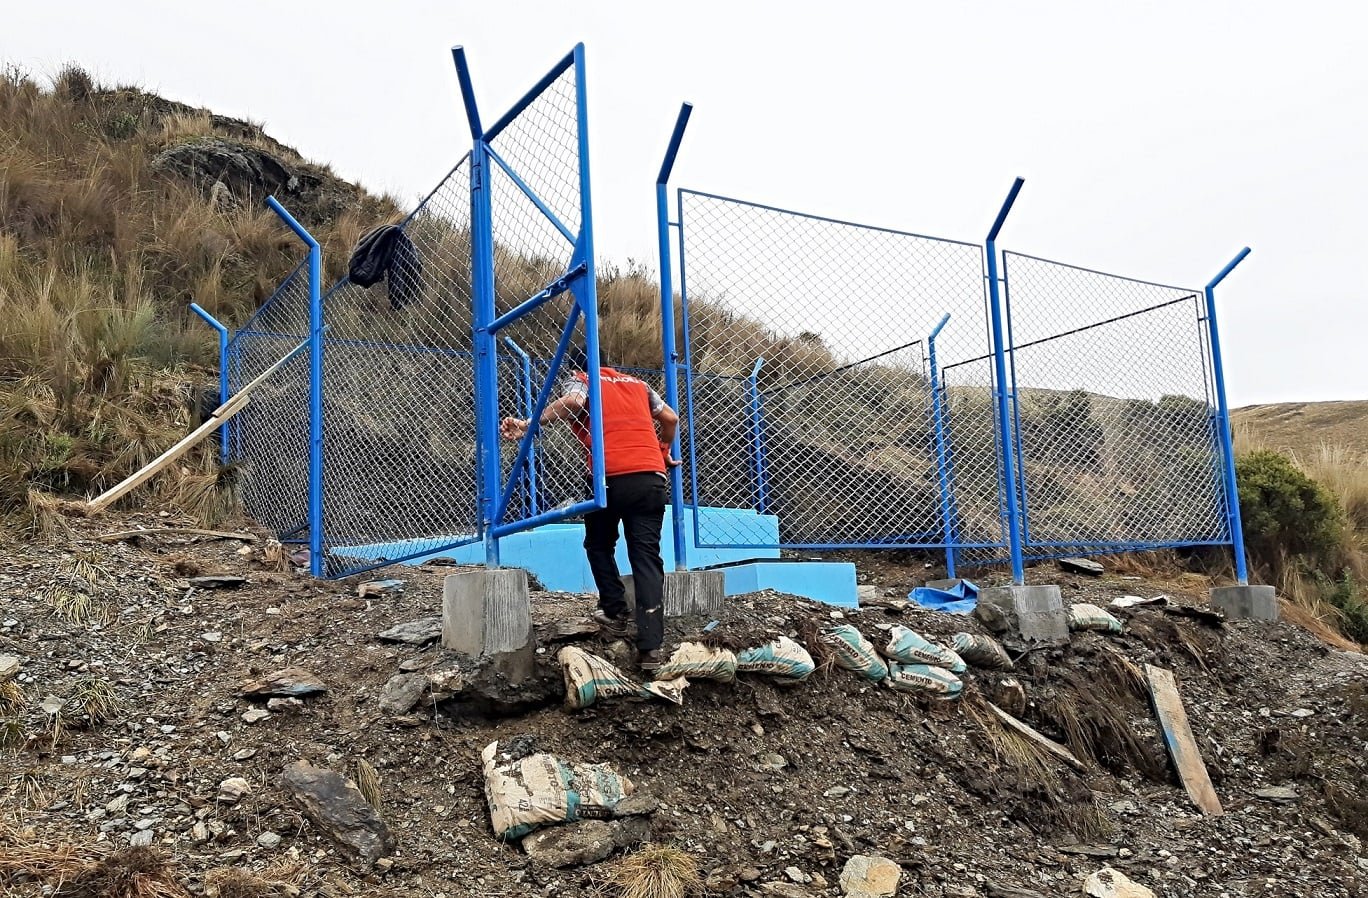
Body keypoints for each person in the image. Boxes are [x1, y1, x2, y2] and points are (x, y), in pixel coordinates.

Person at [500, 349, 680, 670]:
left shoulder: (581, 379)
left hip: (608, 478)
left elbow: (572, 403)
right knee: (647, 556)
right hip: (650, 477)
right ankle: (651, 649)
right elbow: (671, 418)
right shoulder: (638, 385)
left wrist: (528, 424)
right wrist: (663, 448)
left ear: (573, 366)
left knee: (599, 544)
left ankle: (615, 613)